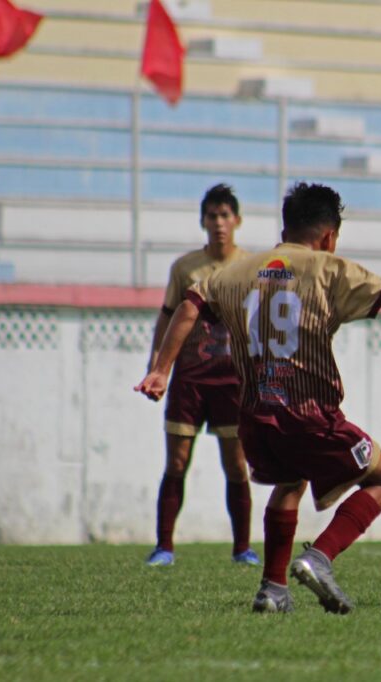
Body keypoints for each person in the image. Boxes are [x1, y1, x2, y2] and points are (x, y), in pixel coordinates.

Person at [136, 182, 381, 614]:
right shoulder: (328, 268)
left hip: (255, 415)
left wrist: (161, 368)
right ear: (328, 236)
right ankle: (319, 558)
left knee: (289, 481)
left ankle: (272, 589)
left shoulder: (237, 271)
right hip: (310, 414)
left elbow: (190, 305)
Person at [143, 183, 259, 567]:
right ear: (203, 221)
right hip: (190, 379)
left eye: (226, 215)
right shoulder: (184, 267)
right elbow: (168, 317)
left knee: (236, 464)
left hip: (233, 381)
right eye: (212, 216)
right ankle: (164, 548)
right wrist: (157, 367)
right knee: (176, 462)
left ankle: (242, 549)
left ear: (237, 221)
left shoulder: (251, 268)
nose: (219, 223)